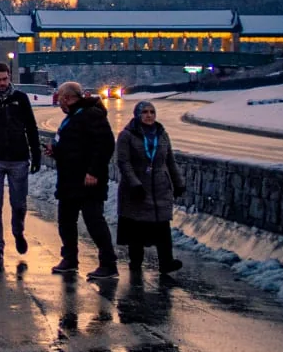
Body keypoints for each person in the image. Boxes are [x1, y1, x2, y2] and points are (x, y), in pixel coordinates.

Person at [45, 81, 118, 280]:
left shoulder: (91, 115)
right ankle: (69, 259)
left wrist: (93, 172)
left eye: (59, 98)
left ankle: (108, 263)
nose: (58, 102)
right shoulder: (71, 117)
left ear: (68, 98)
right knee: (66, 221)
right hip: (70, 179)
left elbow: (105, 145)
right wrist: (56, 151)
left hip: (88, 181)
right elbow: (73, 146)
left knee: (94, 221)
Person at [0, 62, 41, 269]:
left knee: (19, 203)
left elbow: (31, 126)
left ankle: (18, 231)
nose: (2, 83)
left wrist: (36, 153)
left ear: (9, 77)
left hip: (18, 157)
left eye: (5, 79)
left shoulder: (20, 99)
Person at [115, 100, 185, 275]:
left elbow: (170, 161)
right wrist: (134, 183)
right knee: (137, 227)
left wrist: (178, 183)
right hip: (138, 187)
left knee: (162, 226)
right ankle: (136, 262)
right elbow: (124, 162)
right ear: (137, 115)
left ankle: (166, 262)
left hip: (160, 187)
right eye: (144, 112)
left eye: (152, 112)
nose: (148, 115)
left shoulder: (162, 135)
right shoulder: (127, 135)